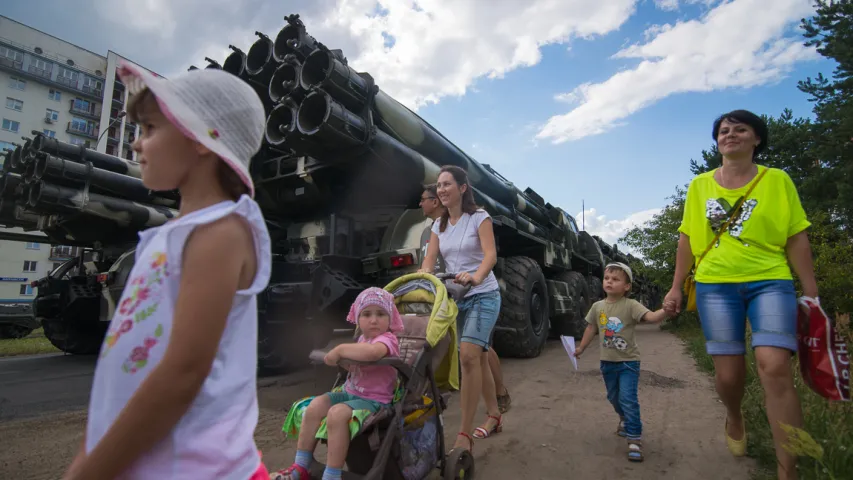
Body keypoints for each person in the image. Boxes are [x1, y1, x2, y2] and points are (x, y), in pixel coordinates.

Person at [62, 64, 272, 479]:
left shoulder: (221, 232)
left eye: (150, 128)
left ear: (200, 138)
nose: (137, 145)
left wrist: (89, 470)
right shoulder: (166, 236)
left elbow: (182, 374)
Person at [664, 109, 817, 480]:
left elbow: (796, 235)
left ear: (756, 139)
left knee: (775, 367)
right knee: (730, 377)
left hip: (770, 280)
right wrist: (675, 285)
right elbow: (686, 238)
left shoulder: (777, 180)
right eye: (724, 130)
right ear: (717, 141)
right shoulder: (700, 185)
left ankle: (787, 469)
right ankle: (734, 414)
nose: (730, 134)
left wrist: (811, 292)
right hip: (715, 285)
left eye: (740, 129)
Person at [273, 287, 402, 480]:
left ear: (390, 319)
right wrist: (344, 362)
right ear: (357, 318)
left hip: (374, 400)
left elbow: (373, 354)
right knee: (316, 406)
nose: (373, 320)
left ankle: (332, 475)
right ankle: (302, 465)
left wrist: (341, 349)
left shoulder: (387, 340)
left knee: (337, 414)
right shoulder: (361, 339)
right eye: (366, 314)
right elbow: (358, 365)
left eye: (381, 314)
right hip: (351, 392)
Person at [419, 166, 503, 454]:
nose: (441, 190)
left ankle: (463, 434)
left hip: (483, 294)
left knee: (468, 356)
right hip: (457, 297)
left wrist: (476, 277)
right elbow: (430, 261)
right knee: (477, 358)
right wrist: (423, 278)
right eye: (439, 185)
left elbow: (490, 255)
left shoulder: (479, 218)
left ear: (462, 188)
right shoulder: (437, 226)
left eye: (447, 184)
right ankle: (494, 415)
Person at [574, 262, 669, 462]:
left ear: (627, 286)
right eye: (607, 278)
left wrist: (665, 311)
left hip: (628, 362)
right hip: (607, 362)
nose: (609, 282)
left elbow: (651, 317)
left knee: (628, 399)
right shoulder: (597, 307)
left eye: (616, 279)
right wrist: (581, 348)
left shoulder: (631, 305)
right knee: (613, 398)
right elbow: (591, 328)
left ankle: (634, 439)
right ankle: (624, 418)